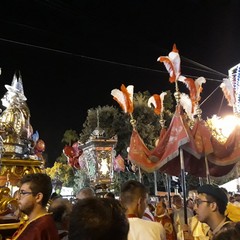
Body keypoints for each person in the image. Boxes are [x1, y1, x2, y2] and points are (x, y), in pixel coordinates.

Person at [10, 173, 59, 240]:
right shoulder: (35, 222)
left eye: (23, 193)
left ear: (38, 197)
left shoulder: (41, 227)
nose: (17, 198)